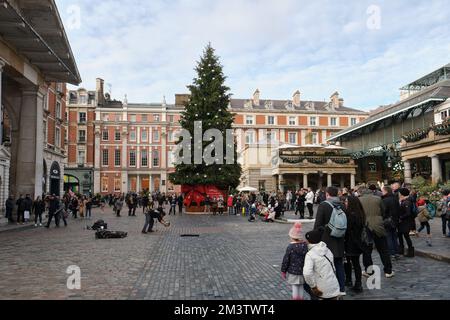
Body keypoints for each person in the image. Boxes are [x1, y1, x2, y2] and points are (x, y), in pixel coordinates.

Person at [313, 187, 346, 295]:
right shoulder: (342, 205)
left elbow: (318, 225)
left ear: (327, 194)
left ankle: (330, 289)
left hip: (327, 240)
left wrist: (315, 239)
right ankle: (342, 289)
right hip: (340, 238)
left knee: (327, 266)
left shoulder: (324, 205)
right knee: (339, 264)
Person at [358, 187, 394, 278]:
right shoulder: (378, 199)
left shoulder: (359, 200)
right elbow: (383, 211)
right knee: (383, 249)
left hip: (365, 226)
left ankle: (369, 271)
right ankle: (388, 271)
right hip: (378, 225)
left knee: (367, 250)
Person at [303, 228, 341, 300]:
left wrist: (313, 287)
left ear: (310, 241)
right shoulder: (327, 250)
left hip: (321, 289)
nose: (305, 241)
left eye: (306, 240)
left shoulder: (310, 255)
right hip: (333, 285)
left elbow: (307, 273)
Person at [343, 196, 366, 293]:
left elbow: (347, 229)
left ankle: (351, 281)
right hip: (358, 242)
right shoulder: (360, 213)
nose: (345, 203)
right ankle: (357, 282)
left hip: (350, 242)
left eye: (347, 201)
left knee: (349, 262)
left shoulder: (350, 214)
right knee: (356, 263)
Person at [281, 223, 308, 300]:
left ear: (292, 237)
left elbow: (286, 259)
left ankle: (295, 298)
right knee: (301, 286)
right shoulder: (305, 245)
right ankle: (301, 298)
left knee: (295, 286)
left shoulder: (290, 247)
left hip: (293, 271)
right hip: (302, 270)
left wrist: (283, 270)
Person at [381, 186, 400, 259]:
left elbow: (383, 211)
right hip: (395, 220)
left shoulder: (385, 200)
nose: (382, 192)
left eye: (382, 191)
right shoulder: (395, 198)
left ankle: (391, 253)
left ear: (386, 191)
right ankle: (396, 252)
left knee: (389, 237)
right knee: (394, 237)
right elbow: (398, 209)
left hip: (387, 220)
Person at [398, 188, 415, 257]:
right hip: (403, 222)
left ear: (402, 194)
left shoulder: (407, 202)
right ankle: (401, 250)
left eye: (399, 193)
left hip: (405, 222)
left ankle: (410, 252)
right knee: (400, 236)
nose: (398, 194)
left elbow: (408, 213)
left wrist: (400, 217)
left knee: (406, 236)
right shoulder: (404, 201)